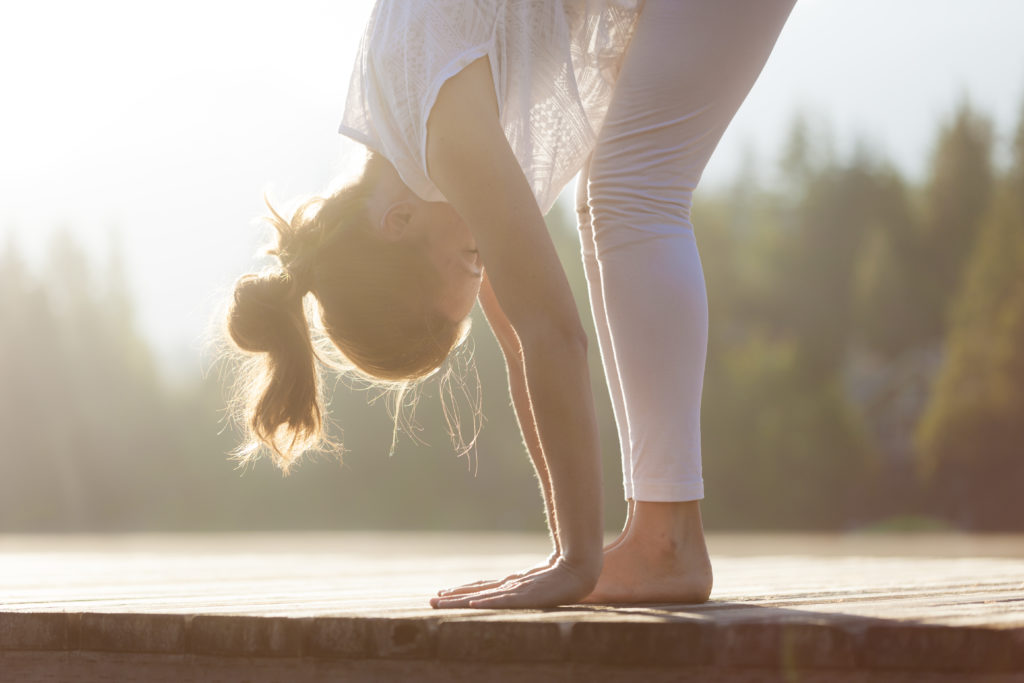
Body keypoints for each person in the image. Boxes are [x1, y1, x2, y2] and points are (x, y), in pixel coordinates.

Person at [225, 0, 795, 609]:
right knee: (613, 199)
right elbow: (524, 342)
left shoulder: (443, 134)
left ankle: (667, 541)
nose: (484, 259)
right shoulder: (412, 159)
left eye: (470, 261)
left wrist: (578, 565)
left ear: (398, 224)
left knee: (632, 194)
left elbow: (553, 333)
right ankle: (661, 538)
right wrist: (564, 552)